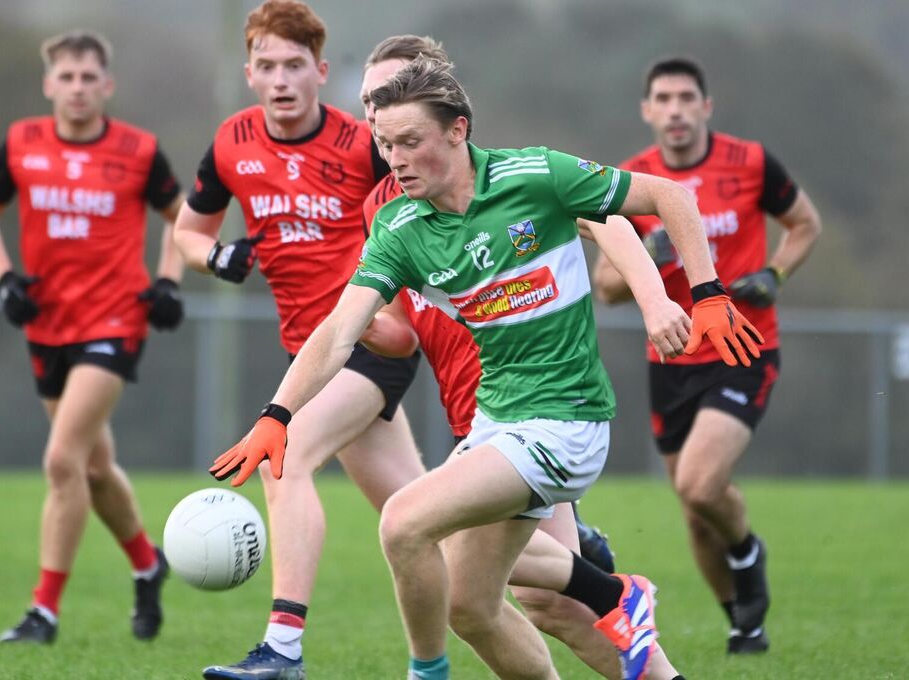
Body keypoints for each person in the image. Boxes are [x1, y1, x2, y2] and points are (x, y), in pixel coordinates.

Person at [210, 57, 760, 680]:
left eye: (411, 142)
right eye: (385, 144)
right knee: (471, 604)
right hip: (495, 422)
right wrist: (277, 414)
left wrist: (704, 294)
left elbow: (668, 195)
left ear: (457, 130)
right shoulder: (399, 225)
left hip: (564, 421)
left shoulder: (535, 176)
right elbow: (342, 330)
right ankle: (629, 621)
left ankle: (429, 672)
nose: (395, 159)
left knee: (403, 522)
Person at [356, 37, 678, 680]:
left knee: (538, 600)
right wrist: (351, 327)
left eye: (390, 96)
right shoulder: (385, 211)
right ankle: (605, 587)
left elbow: (607, 217)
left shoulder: (508, 178)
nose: (376, 115)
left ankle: (608, 589)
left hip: (537, 409)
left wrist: (654, 299)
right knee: (480, 599)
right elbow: (399, 332)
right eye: (368, 102)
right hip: (478, 415)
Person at [171, 4, 426, 678]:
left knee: (284, 455)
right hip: (309, 357)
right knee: (419, 518)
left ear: (320, 71)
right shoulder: (232, 142)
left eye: (294, 66)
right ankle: (570, 562)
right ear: (248, 73)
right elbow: (186, 234)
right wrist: (213, 259)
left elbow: (436, 207)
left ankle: (282, 648)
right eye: (267, 66)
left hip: (375, 338)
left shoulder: (363, 143)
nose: (281, 80)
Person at [592, 56, 823, 654]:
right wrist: (651, 245)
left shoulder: (749, 162)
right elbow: (607, 289)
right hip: (671, 358)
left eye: (685, 98)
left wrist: (775, 272)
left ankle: (747, 550)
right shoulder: (631, 180)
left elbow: (805, 224)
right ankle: (743, 623)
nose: (674, 110)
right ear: (647, 111)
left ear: (705, 107)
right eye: (662, 99)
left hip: (744, 344)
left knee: (699, 484)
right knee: (695, 515)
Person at [0, 30, 185, 644]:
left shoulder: (138, 151)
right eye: (67, 78)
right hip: (45, 323)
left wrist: (167, 280)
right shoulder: (21, 143)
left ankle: (44, 612)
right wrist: (4, 276)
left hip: (115, 322)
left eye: (90, 78)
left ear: (106, 85)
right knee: (93, 468)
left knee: (62, 461)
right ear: (49, 85)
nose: (79, 88)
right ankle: (148, 564)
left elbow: (182, 216)